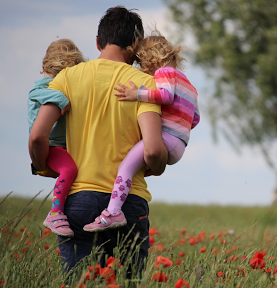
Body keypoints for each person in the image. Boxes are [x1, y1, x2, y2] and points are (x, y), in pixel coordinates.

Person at [28, 6, 167, 274]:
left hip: (78, 200)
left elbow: (37, 136)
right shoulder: (144, 84)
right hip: (129, 203)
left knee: (81, 280)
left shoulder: (66, 78)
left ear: (97, 42)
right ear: (135, 44)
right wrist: (158, 166)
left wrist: (43, 165)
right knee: (128, 281)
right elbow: (152, 150)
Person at [83, 32, 200, 232]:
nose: (141, 69)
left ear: (150, 59)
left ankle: (112, 212)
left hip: (166, 138)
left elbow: (165, 96)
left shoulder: (165, 73)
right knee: (136, 167)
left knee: (125, 167)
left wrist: (136, 94)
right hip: (180, 144)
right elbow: (195, 118)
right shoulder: (189, 85)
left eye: (141, 63)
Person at [28, 39, 85, 237]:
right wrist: (61, 99)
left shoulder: (55, 84)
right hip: (51, 145)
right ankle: (55, 212)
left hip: (61, 145)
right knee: (69, 169)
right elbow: (35, 92)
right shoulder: (45, 86)